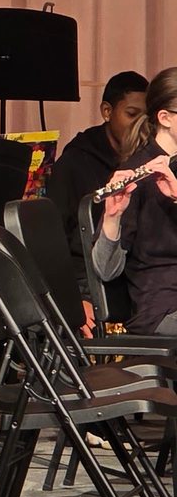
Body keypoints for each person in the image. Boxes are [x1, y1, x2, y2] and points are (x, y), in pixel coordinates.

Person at [92, 67, 177, 335]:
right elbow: (106, 271)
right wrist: (112, 218)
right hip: (163, 305)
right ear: (165, 118)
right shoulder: (138, 173)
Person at [47, 71, 148, 297]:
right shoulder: (74, 162)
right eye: (132, 114)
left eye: (146, 118)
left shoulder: (146, 160)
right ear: (107, 111)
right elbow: (53, 243)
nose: (140, 125)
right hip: (86, 282)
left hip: (132, 278)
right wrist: (70, 301)